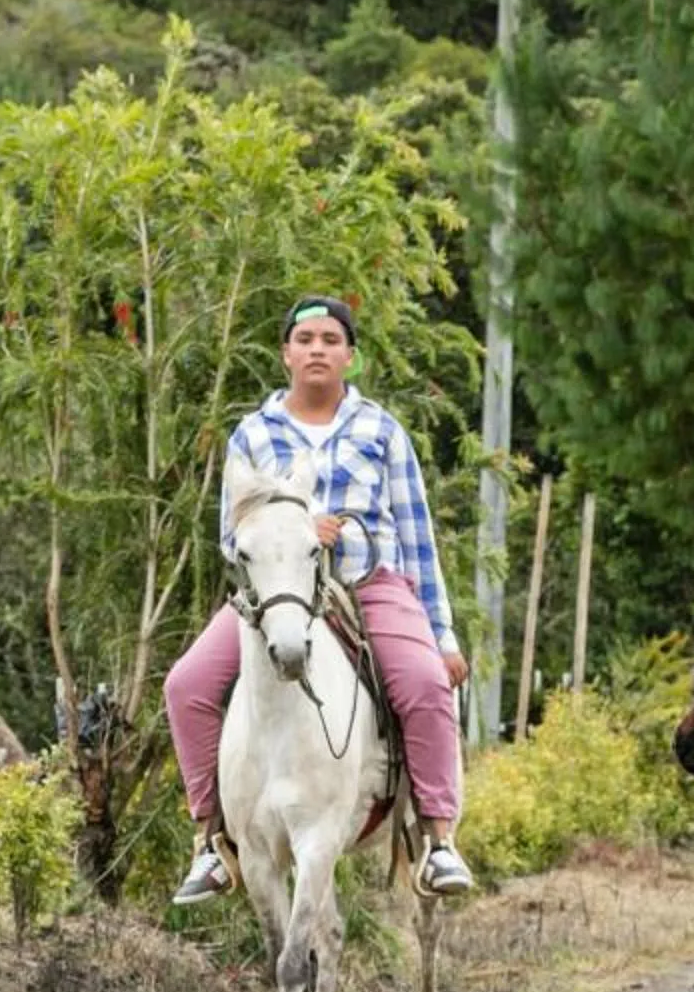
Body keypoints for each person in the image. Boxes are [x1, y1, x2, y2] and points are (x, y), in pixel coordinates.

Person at [164, 295, 473, 907]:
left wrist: (443, 634)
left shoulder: (382, 431)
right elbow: (232, 536)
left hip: (366, 584)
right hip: (277, 591)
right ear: (286, 354)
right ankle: (211, 842)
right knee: (186, 686)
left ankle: (437, 840)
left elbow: (416, 536)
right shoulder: (252, 435)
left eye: (331, 339)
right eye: (305, 338)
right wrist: (299, 529)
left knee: (426, 684)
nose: (317, 349)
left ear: (349, 356)